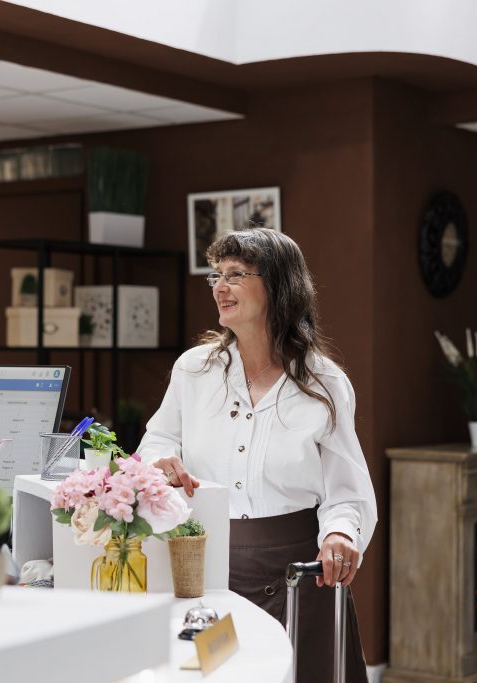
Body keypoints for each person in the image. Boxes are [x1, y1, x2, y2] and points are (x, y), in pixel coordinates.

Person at [137, 228, 377, 683]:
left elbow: (346, 489)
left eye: (235, 275)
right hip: (211, 575)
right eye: (216, 276)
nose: (220, 287)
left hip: (304, 579)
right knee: (214, 676)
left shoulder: (325, 383)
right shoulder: (193, 369)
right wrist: (160, 461)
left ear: (278, 286)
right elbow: (156, 441)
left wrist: (341, 535)